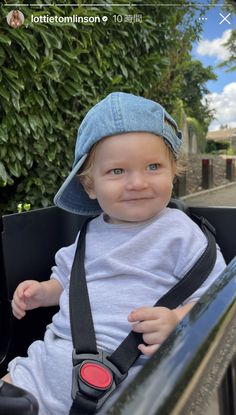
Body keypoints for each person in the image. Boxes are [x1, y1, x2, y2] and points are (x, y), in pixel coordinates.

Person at [2, 92, 226, 414]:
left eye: (153, 166)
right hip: (47, 365)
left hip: (135, 375)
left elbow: (216, 300)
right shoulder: (88, 234)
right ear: (90, 186)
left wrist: (177, 320)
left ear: (173, 172)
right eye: (117, 171)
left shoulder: (181, 233)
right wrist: (42, 292)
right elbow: (65, 282)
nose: (137, 182)